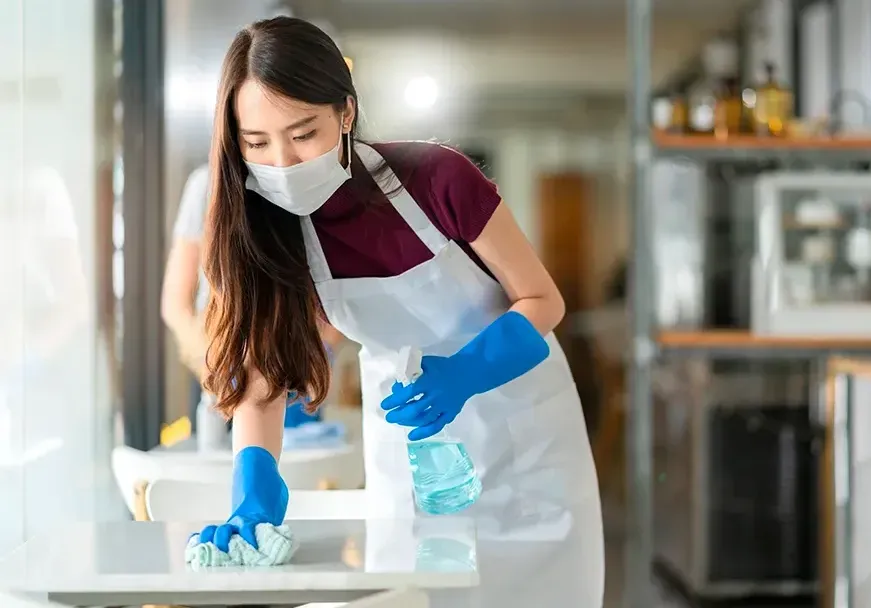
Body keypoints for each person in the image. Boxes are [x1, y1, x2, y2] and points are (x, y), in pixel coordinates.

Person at [193, 16, 603, 607]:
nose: (282, 162)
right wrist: (253, 485)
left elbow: (543, 299)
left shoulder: (437, 179)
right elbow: (263, 375)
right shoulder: (270, 229)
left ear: (346, 114)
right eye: (257, 143)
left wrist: (466, 371)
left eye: (304, 133)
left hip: (524, 432)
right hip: (411, 443)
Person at [162, 164, 343, 433]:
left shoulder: (309, 182)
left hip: (296, 368)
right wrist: (210, 366)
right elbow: (175, 303)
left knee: (296, 468)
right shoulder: (206, 185)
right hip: (220, 370)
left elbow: (340, 290)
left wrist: (321, 353)